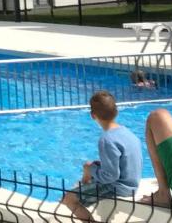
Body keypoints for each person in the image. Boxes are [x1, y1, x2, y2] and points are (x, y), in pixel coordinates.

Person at [60, 91, 142, 221]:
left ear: (93, 115)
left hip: (118, 187)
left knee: (69, 198)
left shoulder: (107, 140)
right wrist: (94, 167)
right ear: (116, 111)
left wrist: (91, 169)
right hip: (131, 183)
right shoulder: (127, 133)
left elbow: (111, 176)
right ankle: (83, 185)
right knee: (89, 168)